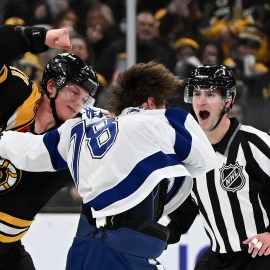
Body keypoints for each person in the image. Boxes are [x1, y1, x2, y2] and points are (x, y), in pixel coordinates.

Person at [0, 61, 216, 270]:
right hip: (126, 247)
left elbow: (31, 151)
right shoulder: (159, 120)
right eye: (162, 103)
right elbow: (204, 160)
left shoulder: (79, 127)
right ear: (150, 103)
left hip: (83, 245)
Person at [0, 24, 99, 270]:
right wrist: (34, 37)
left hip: (6, 251)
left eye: (84, 99)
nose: (78, 103)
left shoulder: (72, 142)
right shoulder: (14, 91)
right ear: (52, 86)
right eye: (74, 92)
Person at [166, 64, 270, 270]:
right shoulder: (187, 154)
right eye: (196, 93)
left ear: (228, 101)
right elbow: (184, 212)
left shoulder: (253, 143)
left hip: (262, 256)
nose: (202, 101)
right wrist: (152, 239)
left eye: (211, 94)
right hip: (218, 259)